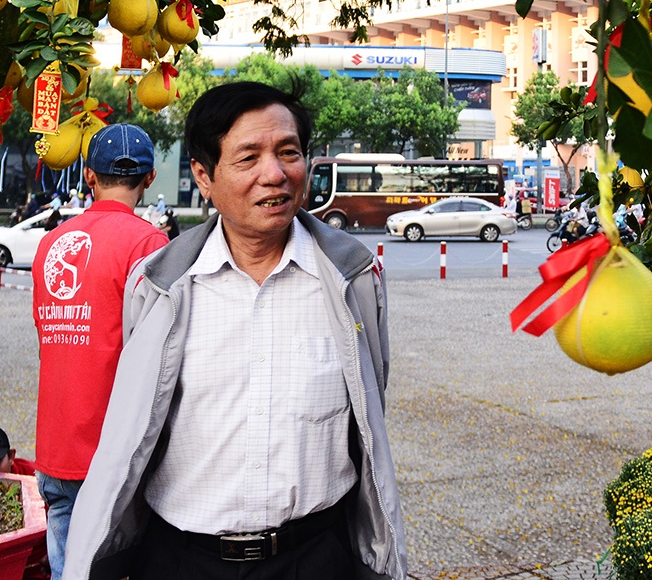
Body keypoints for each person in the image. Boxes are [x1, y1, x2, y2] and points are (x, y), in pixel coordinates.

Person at [63, 82, 407, 580]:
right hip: (181, 561)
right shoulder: (160, 285)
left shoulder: (352, 277)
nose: (275, 174)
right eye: (249, 158)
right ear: (204, 176)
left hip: (315, 557)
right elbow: (135, 421)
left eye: (288, 153)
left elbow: (370, 408)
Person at [32, 125, 169, 580]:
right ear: (149, 179)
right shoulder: (148, 245)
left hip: (55, 448)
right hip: (113, 455)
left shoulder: (51, 243)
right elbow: (159, 356)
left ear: (89, 176)